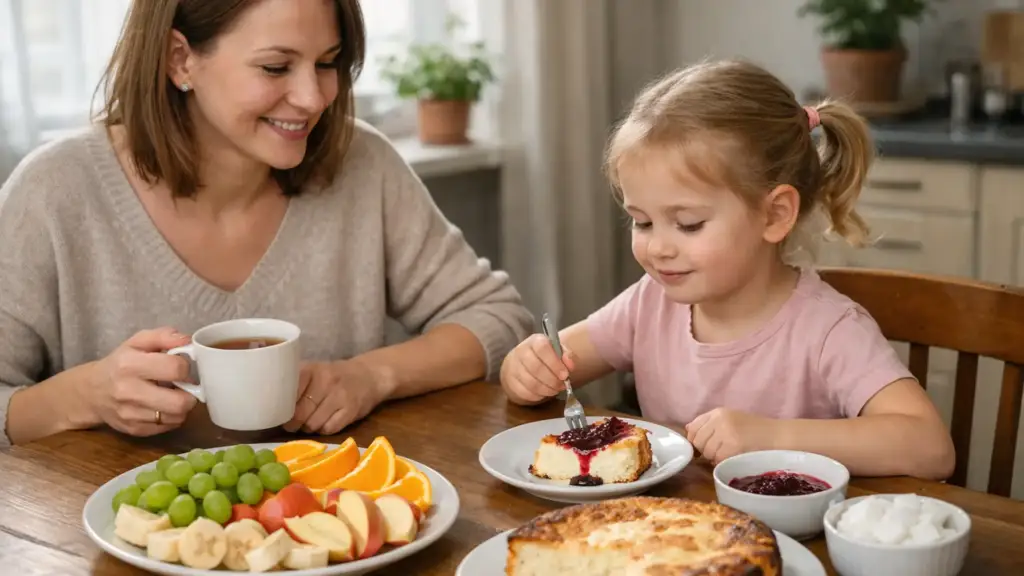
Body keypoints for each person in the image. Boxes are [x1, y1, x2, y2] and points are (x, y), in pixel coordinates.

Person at [0, 0, 534, 447]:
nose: (313, 98)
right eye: (276, 67)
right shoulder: (55, 191)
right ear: (179, 59)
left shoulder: (361, 162)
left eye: (327, 62)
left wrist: (369, 376)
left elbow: (499, 320)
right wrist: (87, 395)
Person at [500, 60, 955, 480]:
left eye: (688, 224)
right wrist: (526, 369)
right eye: (642, 221)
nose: (658, 247)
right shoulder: (649, 303)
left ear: (775, 215)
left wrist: (770, 438)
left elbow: (930, 447)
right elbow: (555, 364)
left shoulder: (828, 329)